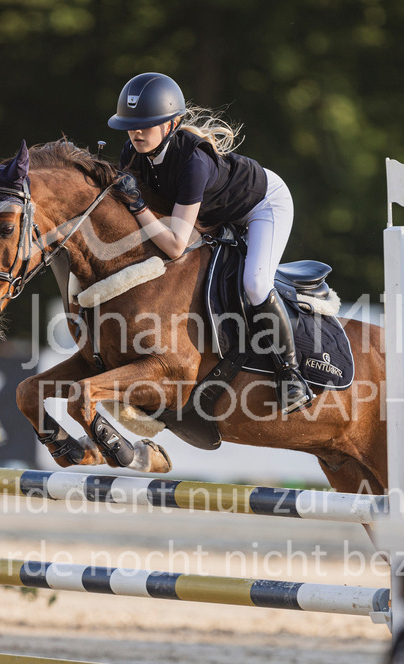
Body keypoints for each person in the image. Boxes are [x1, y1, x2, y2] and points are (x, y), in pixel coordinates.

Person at [108, 72, 313, 415]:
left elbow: (175, 244)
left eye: (145, 124)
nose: (136, 132)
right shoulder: (134, 152)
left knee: (255, 282)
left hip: (263, 205)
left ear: (172, 124)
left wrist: (138, 207)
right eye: (130, 125)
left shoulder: (193, 162)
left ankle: (290, 373)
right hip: (215, 214)